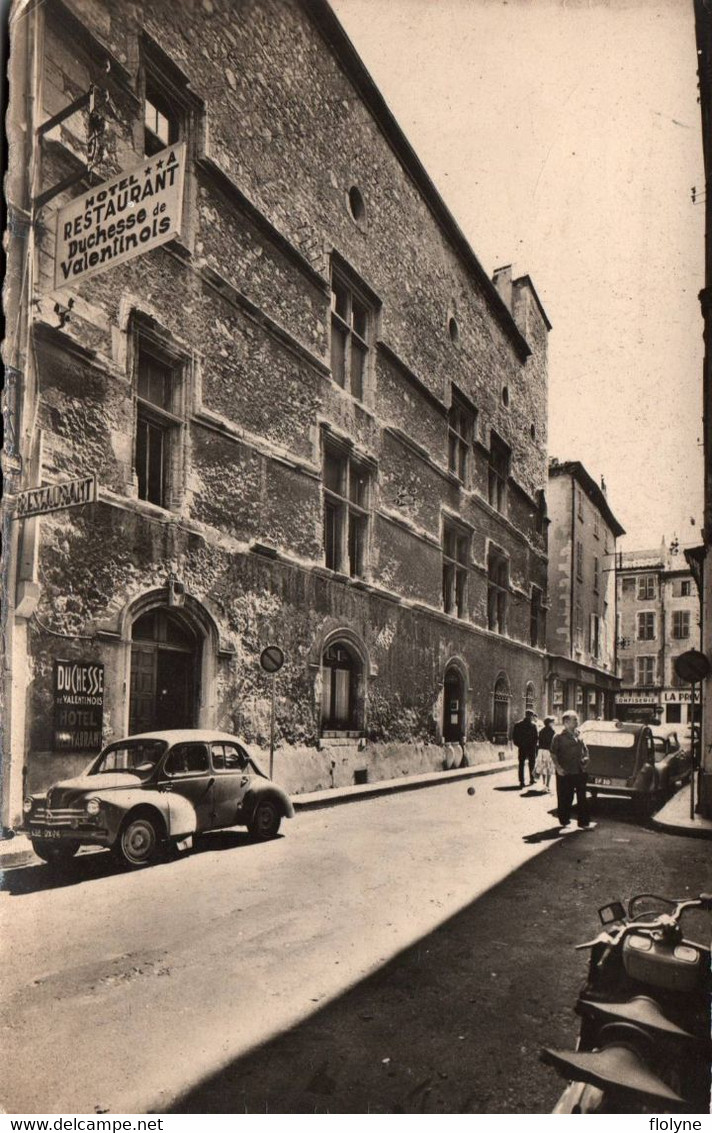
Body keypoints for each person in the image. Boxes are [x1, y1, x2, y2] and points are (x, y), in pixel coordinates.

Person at [550, 710, 592, 829]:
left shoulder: (579, 734)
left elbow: (585, 749)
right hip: (565, 771)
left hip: (579, 770)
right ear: (566, 722)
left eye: (577, 719)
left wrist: (586, 758)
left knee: (582, 797)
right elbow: (553, 754)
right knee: (565, 797)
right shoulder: (558, 737)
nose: (577, 721)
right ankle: (564, 820)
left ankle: (583, 823)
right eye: (575, 719)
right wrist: (558, 768)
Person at [512, 709, 539, 789]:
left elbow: (536, 737)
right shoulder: (531, 725)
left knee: (524, 764)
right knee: (529, 764)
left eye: (530, 716)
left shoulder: (520, 725)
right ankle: (528, 779)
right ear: (528, 715)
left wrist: (520, 745)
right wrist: (532, 745)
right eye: (530, 715)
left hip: (525, 747)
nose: (530, 717)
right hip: (528, 747)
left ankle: (525, 780)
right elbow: (536, 737)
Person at [535, 715, 556, 793]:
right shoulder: (552, 732)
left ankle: (544, 783)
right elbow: (553, 743)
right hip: (548, 751)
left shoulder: (541, 731)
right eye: (552, 722)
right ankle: (547, 785)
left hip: (541, 751)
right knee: (549, 768)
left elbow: (539, 741)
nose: (553, 723)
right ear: (549, 723)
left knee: (543, 767)